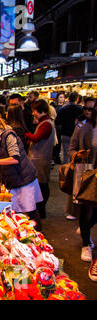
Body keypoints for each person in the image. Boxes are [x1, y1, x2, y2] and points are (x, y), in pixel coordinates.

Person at [67, 97, 96, 263]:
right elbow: (71, 149)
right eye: (87, 109)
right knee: (86, 209)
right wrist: (78, 155)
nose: (88, 112)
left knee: (94, 213)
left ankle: (87, 229)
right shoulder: (83, 129)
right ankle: (86, 243)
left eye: (91, 109)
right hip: (87, 173)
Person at [25, 99, 55, 219]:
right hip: (39, 158)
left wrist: (25, 134)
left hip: (41, 159)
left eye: (34, 111)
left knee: (42, 185)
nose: (33, 113)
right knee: (40, 184)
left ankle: (41, 211)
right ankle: (40, 210)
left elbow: (36, 138)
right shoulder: (43, 122)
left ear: (41, 111)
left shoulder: (46, 124)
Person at [56, 92, 84, 163]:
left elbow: (57, 122)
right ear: (77, 99)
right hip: (77, 135)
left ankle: (66, 171)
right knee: (76, 155)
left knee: (66, 154)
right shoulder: (80, 109)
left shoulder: (63, 109)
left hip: (65, 133)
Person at [52, 92, 67, 164]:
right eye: (60, 97)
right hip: (57, 127)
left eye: (63, 97)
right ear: (57, 98)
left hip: (63, 127)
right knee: (57, 143)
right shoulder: (55, 107)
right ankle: (56, 157)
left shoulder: (65, 107)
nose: (62, 99)